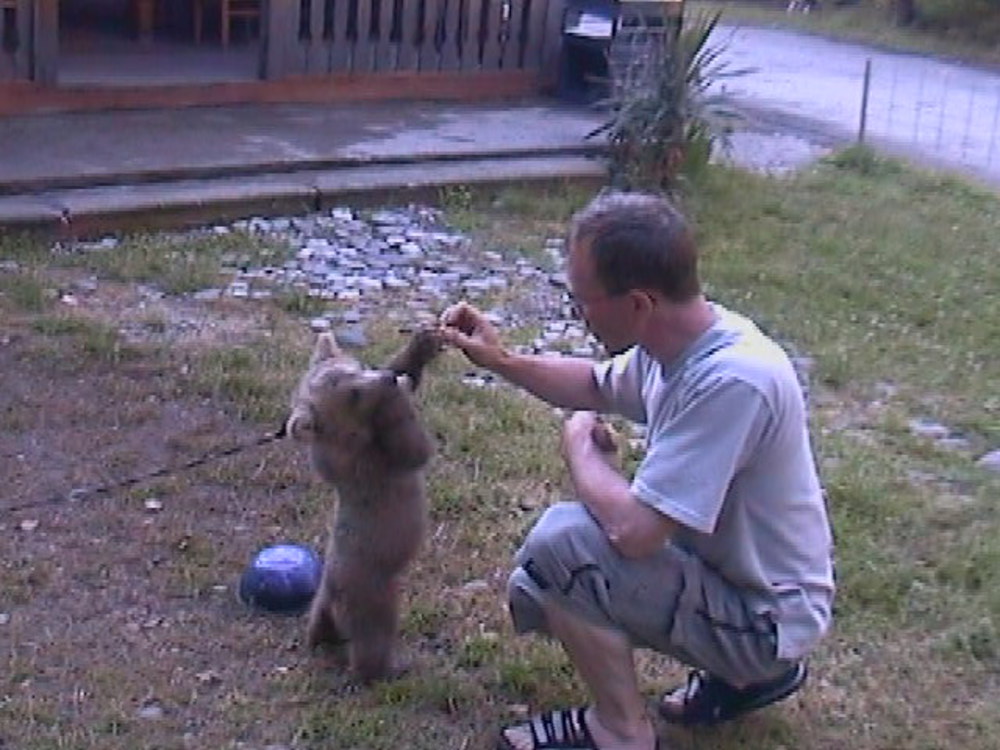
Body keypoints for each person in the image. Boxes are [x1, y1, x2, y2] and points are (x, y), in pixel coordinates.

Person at [438, 191, 835, 750]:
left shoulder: (733, 380)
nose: (578, 314)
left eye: (584, 301)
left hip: (764, 619)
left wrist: (580, 445)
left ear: (640, 304)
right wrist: (503, 361)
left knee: (561, 548)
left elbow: (635, 532)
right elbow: (596, 384)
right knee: (537, 586)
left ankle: (622, 732)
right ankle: (747, 678)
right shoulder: (673, 341)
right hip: (741, 587)